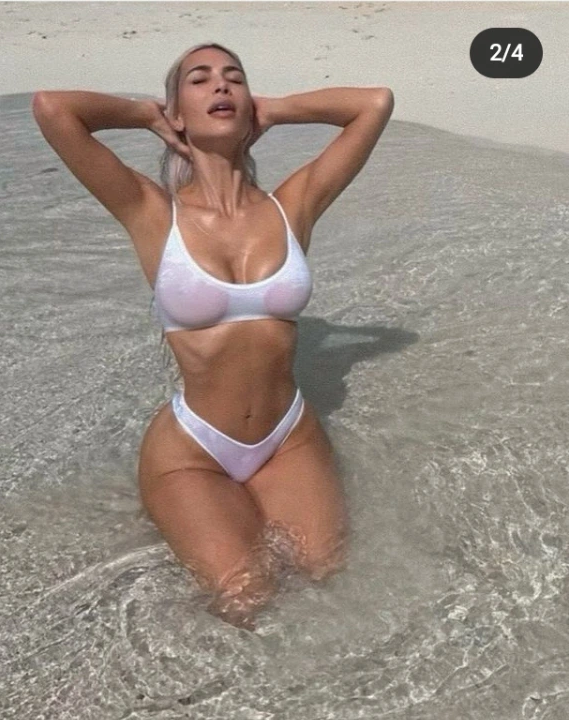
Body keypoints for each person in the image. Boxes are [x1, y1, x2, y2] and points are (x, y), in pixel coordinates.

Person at [32, 42, 393, 629]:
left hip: (287, 438)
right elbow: (53, 108)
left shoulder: (292, 207)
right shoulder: (151, 211)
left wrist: (275, 110)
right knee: (247, 600)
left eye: (234, 79)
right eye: (199, 80)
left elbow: (374, 105)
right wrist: (148, 115)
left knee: (327, 577)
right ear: (178, 112)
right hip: (194, 452)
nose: (221, 87)